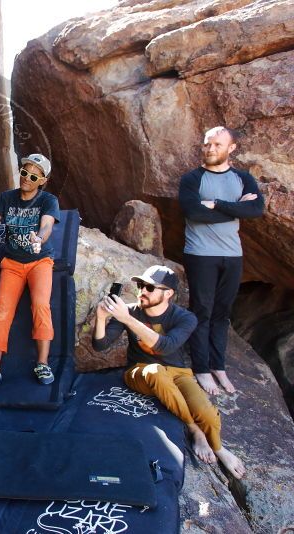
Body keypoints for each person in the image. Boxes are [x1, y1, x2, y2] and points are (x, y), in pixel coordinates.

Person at [93, 265, 246, 479]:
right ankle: (194, 430)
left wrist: (128, 319)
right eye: (140, 285)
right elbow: (100, 346)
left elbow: (165, 346)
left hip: (178, 372)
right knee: (156, 372)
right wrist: (101, 318)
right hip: (140, 371)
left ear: (168, 293)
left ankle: (218, 447)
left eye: (149, 287)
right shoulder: (128, 311)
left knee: (206, 412)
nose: (142, 291)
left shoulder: (185, 318)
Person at [178, 126, 264, 395]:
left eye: (217, 144)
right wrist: (236, 208)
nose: (211, 149)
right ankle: (202, 369)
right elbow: (194, 213)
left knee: (222, 313)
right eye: (207, 144)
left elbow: (256, 209)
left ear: (231, 148)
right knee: (202, 310)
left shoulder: (242, 178)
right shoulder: (192, 179)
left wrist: (215, 203)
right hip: (201, 254)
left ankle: (218, 366)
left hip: (233, 255)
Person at [0, 153, 60, 391]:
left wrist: (39, 239)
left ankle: (42, 363)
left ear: (42, 181)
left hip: (39, 261)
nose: (27, 178)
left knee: (41, 306)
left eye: (33, 176)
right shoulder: (7, 198)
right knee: (2, 312)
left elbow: (48, 224)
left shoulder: (48, 200)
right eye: (24, 173)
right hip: (12, 263)